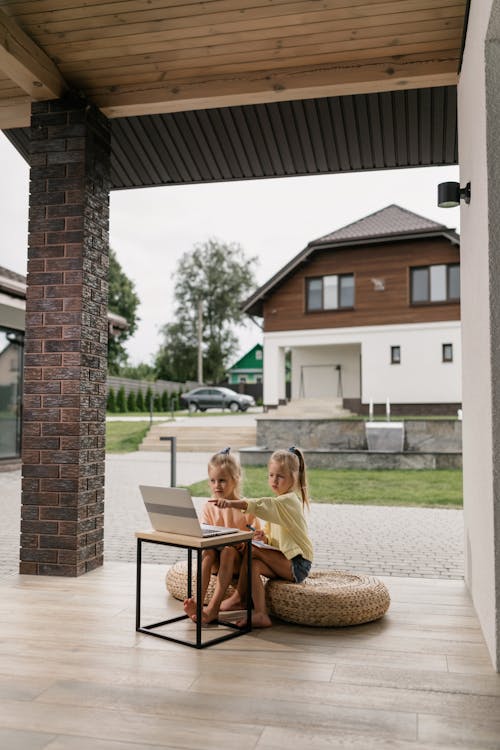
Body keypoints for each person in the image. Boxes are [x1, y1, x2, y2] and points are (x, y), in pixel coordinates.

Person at [210, 446, 313, 628]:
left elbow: (262, 505)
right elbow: (275, 533)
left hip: (298, 564)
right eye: (271, 475)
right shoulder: (280, 501)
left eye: (280, 476)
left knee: (252, 550)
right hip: (286, 561)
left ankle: (239, 599)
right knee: (253, 563)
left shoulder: (288, 500)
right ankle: (260, 614)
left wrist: (231, 503)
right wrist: (264, 537)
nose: (274, 480)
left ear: (293, 477)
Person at [183, 447, 260, 624]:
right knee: (208, 553)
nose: (217, 485)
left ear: (235, 480)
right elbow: (205, 532)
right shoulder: (209, 506)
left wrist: (243, 543)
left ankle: (214, 607)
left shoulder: (245, 507)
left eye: (222, 480)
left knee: (228, 550)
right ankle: (197, 600)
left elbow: (255, 538)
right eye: (213, 480)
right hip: (216, 562)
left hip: (236, 563)